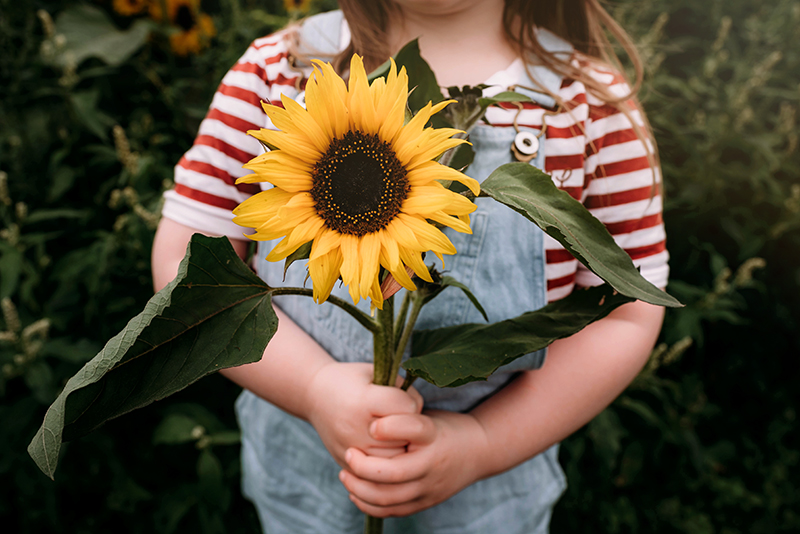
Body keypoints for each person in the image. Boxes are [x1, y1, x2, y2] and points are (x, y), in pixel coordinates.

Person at [151, 0, 669, 532]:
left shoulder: (585, 104)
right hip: (306, 484)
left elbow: (626, 308)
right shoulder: (280, 71)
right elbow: (188, 269)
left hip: (491, 489)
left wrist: (483, 444)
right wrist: (311, 387)